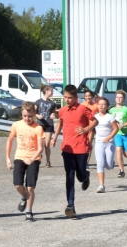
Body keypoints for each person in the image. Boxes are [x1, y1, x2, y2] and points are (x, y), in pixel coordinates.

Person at [51, 84, 98, 219]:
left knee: (80, 175)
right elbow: (60, 123)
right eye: (65, 97)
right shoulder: (62, 110)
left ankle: (85, 177)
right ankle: (70, 205)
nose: (67, 100)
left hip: (81, 148)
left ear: (76, 97)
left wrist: (85, 130)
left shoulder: (83, 109)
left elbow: (95, 122)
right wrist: (55, 138)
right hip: (67, 147)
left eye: (70, 98)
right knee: (69, 176)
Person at [6, 101, 44, 222]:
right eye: (24, 116)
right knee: (17, 184)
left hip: (34, 159)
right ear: (21, 115)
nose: (27, 118)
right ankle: (24, 197)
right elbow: (10, 141)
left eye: (30, 116)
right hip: (20, 157)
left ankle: (29, 211)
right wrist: (7, 158)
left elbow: (40, 148)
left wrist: (32, 159)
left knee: (30, 187)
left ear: (34, 114)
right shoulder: (16, 125)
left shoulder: (38, 128)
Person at [94, 97, 119, 193]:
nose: (101, 105)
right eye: (99, 104)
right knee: (100, 163)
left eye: (103, 104)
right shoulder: (95, 117)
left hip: (109, 143)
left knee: (108, 166)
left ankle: (111, 162)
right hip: (99, 142)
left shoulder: (110, 117)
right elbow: (92, 129)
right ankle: (101, 185)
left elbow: (116, 128)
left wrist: (109, 137)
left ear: (107, 106)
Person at [110, 90, 127, 178]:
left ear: (123, 99)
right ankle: (121, 171)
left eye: (121, 98)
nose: (119, 99)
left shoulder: (126, 109)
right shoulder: (111, 110)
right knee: (118, 150)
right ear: (115, 98)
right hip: (117, 134)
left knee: (126, 154)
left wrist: (123, 125)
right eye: (117, 97)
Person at [35, 84, 57, 168]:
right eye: (51, 91)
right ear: (46, 91)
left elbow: (54, 112)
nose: (52, 92)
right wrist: (37, 116)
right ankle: (38, 158)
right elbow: (33, 112)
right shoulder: (38, 102)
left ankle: (48, 161)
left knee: (47, 144)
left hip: (49, 124)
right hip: (40, 124)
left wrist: (53, 115)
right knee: (39, 143)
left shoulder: (52, 103)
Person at [80, 89, 99, 170]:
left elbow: (100, 114)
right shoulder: (81, 105)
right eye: (86, 96)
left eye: (89, 96)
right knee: (82, 143)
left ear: (92, 97)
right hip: (83, 126)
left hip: (91, 127)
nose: (88, 97)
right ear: (84, 97)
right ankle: (82, 160)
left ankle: (86, 162)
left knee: (88, 143)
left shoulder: (96, 106)